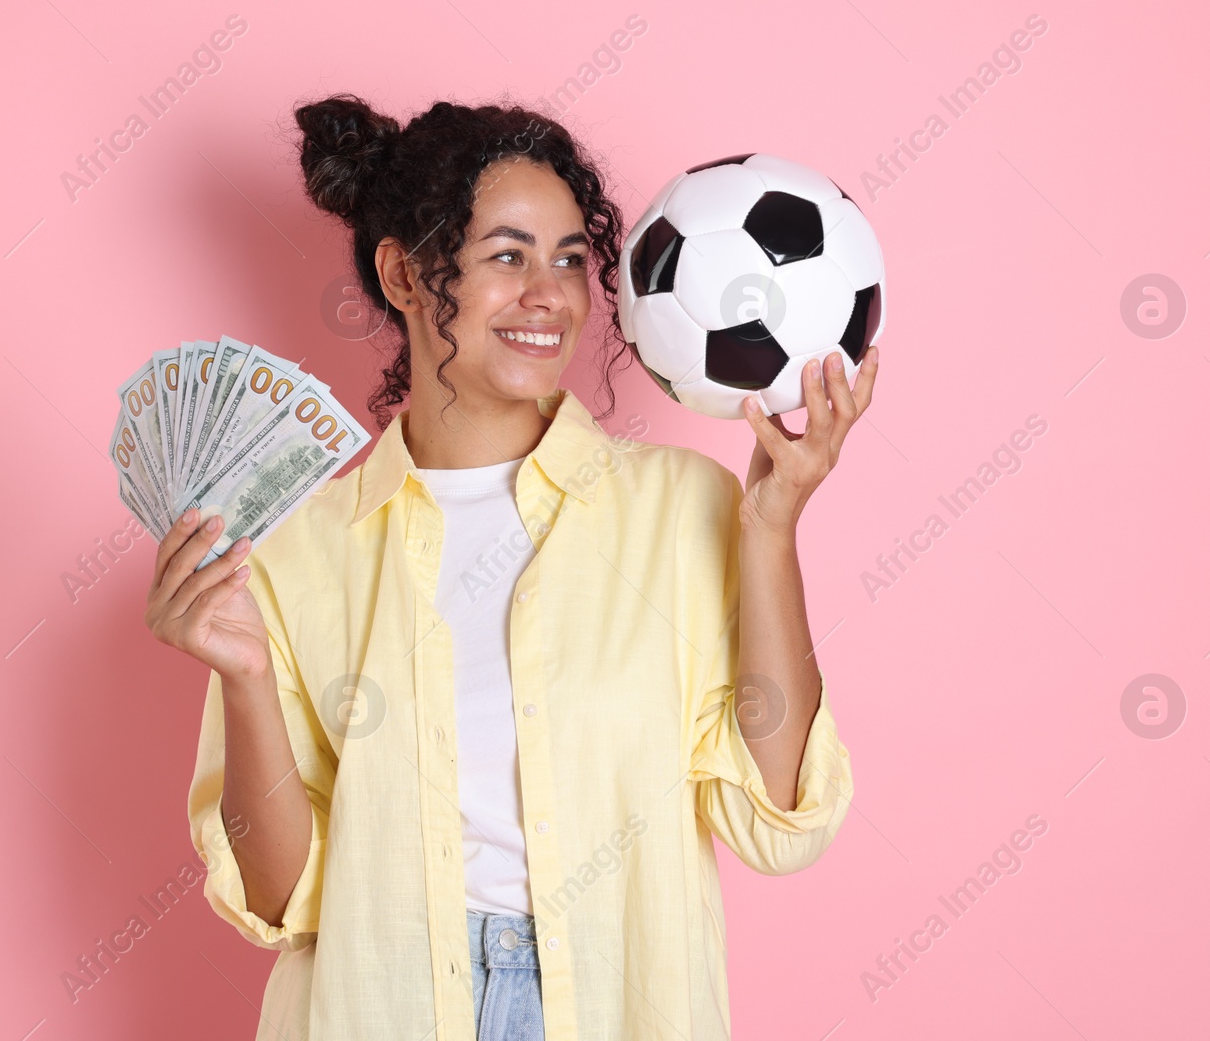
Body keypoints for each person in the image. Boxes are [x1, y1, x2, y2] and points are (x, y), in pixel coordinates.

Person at [145, 93, 878, 1040]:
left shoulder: (681, 507)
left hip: (620, 1000)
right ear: (405, 275)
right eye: (507, 255)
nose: (550, 294)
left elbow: (780, 816)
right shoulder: (294, 547)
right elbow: (282, 900)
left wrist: (772, 524)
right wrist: (242, 676)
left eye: (571, 259)